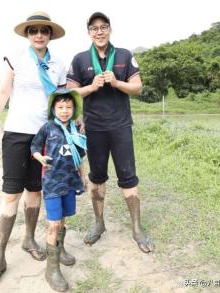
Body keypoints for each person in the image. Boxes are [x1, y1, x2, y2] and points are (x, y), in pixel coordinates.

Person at [0, 11, 67, 290]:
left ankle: (29, 238)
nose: (39, 34)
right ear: (27, 35)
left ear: (50, 34)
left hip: (46, 136)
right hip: (17, 134)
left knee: (36, 191)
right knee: (11, 195)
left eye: (44, 30)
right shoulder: (16, 58)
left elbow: (62, 102)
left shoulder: (58, 64)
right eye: (33, 30)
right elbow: (3, 92)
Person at [67, 12, 154, 253]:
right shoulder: (79, 59)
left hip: (121, 126)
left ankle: (137, 228)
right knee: (97, 178)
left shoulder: (124, 55)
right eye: (94, 28)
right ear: (89, 33)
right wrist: (91, 87)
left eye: (103, 27)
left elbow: (137, 87)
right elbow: (71, 94)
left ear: (110, 30)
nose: (99, 31)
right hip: (94, 128)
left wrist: (117, 83)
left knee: (129, 177)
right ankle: (98, 223)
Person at [31, 88, 86, 292]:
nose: (64, 110)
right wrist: (40, 158)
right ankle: (51, 270)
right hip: (53, 184)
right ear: (53, 108)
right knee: (53, 225)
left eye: (68, 107)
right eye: (60, 107)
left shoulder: (76, 130)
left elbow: (80, 155)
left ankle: (60, 250)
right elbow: (34, 147)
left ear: (74, 109)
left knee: (63, 219)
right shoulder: (47, 128)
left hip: (70, 182)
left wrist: (83, 176)